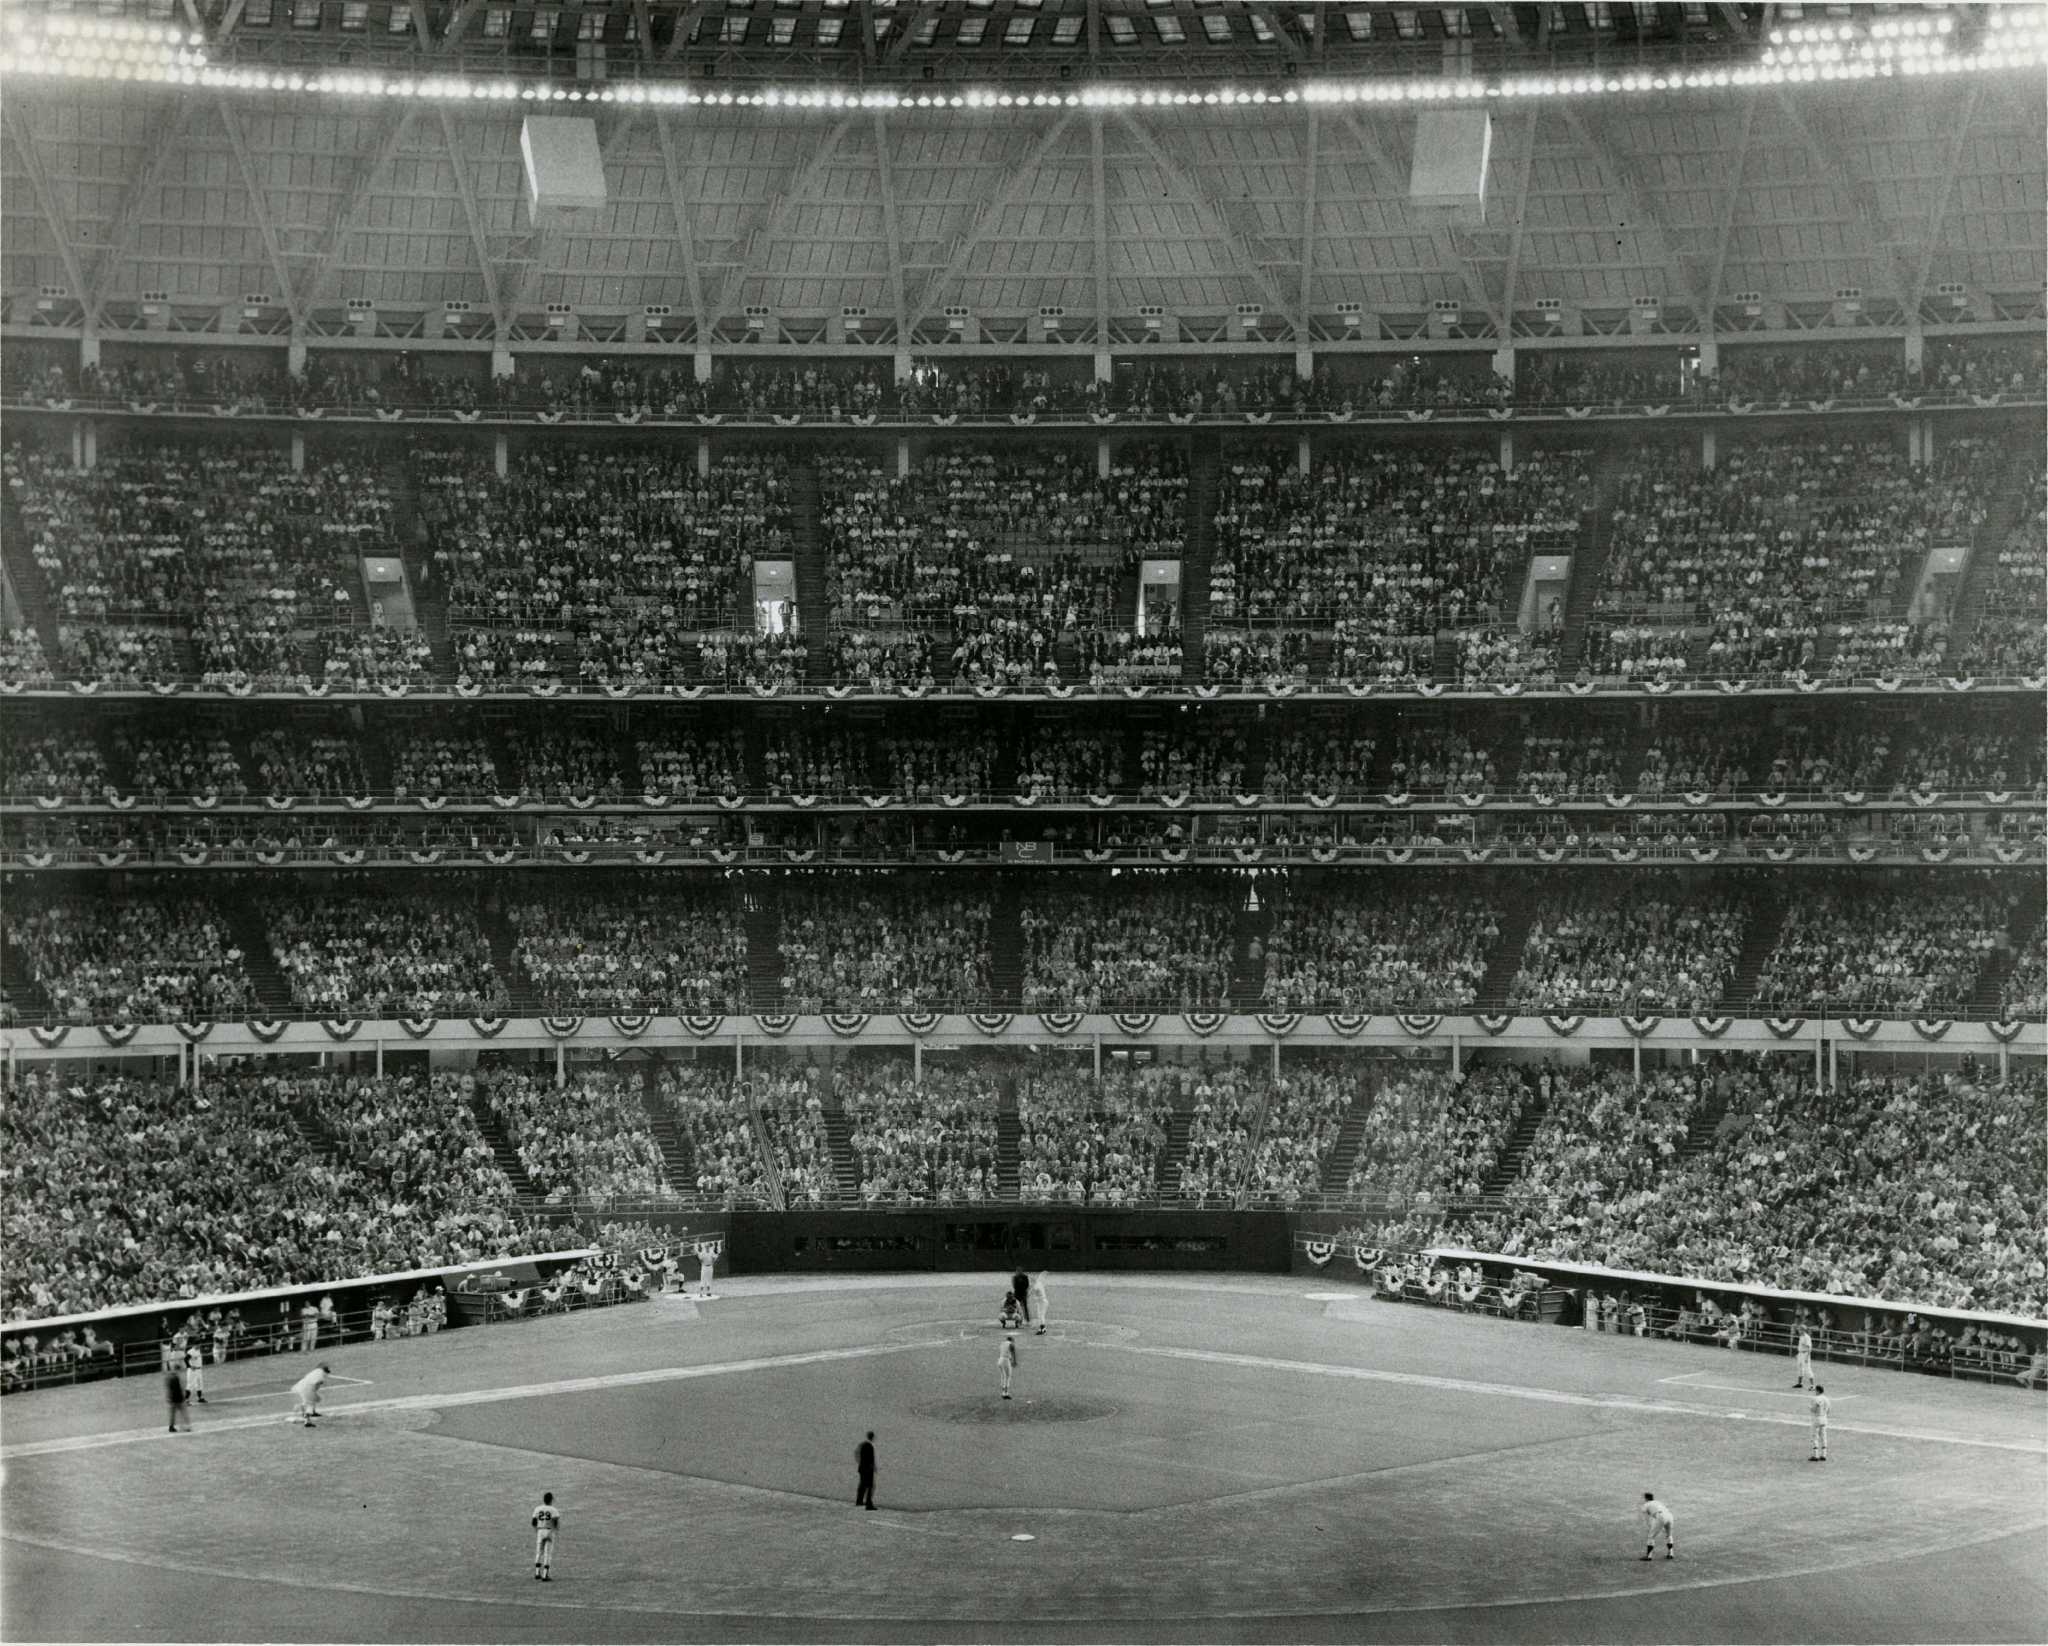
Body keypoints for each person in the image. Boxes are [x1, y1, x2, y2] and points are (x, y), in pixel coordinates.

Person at [531, 1491, 561, 1581]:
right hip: (549, 1530)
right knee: (548, 1553)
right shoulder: (553, 1510)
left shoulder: (537, 1509)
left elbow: (533, 1522)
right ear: (551, 1500)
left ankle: (537, 1573)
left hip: (540, 1530)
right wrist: (555, 1530)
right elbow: (555, 1521)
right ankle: (545, 1575)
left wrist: (536, 1529)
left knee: (539, 1551)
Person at [292, 1362, 333, 1428]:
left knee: (316, 1399)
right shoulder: (320, 1375)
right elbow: (316, 1382)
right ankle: (307, 1422)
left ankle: (310, 1411)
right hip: (306, 1389)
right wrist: (319, 1382)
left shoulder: (316, 1372)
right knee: (310, 1405)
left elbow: (312, 1382)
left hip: (302, 1387)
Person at [1640, 1491, 1675, 1560]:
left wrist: (1650, 1526)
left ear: (1646, 1498)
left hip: (1660, 1517)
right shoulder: (1658, 1502)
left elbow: (1645, 1516)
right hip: (1670, 1516)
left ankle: (1649, 1556)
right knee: (1669, 1535)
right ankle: (1670, 1553)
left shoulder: (1646, 1504)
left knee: (1651, 1536)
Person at [164, 1362, 191, 1433]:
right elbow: (180, 1388)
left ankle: (171, 1427)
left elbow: (168, 1388)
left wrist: (168, 1397)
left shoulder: (168, 1377)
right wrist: (184, 1397)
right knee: (184, 1412)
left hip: (172, 1398)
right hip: (179, 1398)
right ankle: (186, 1426)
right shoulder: (176, 1377)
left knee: (173, 1414)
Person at [855, 1431, 877, 1510]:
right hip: (867, 1469)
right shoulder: (869, 1446)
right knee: (870, 1486)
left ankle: (859, 1500)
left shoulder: (862, 1444)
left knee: (862, 1485)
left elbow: (857, 1454)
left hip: (862, 1468)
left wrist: (860, 1463)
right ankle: (868, 1503)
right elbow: (870, 1459)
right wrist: (872, 1467)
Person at [1808, 1385, 1830, 1462]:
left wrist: (1810, 1408)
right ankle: (1824, 1454)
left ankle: (1815, 1455)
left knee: (1815, 1437)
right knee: (1824, 1436)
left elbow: (1814, 1409)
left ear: (1818, 1390)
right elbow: (1829, 1410)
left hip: (1816, 1418)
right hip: (1824, 1418)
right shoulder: (1827, 1399)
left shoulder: (1815, 1398)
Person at [1793, 1327, 1815, 1391]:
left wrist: (1807, 1357)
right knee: (1800, 1368)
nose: (1798, 1331)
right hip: (1800, 1354)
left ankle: (1812, 1385)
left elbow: (1809, 1348)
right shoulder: (1801, 1337)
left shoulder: (1807, 1337)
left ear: (1803, 1330)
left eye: (1800, 1330)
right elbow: (1801, 1346)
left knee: (1807, 1369)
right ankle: (1800, 1383)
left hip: (1805, 1354)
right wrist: (1798, 1354)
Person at [1028, 1271, 1049, 1337]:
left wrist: (1026, 1295)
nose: (1030, 1280)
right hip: (1042, 1302)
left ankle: (1042, 1329)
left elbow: (1030, 1293)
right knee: (1040, 1315)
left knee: (1041, 1316)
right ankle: (1043, 1328)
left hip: (1042, 1302)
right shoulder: (1039, 1282)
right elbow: (1038, 1279)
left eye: (1031, 1279)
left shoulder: (1035, 1286)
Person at [998, 1332, 1017, 1401]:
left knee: (1003, 1376)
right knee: (1008, 1376)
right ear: (1011, 1340)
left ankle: (1003, 1392)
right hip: (1006, 1361)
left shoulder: (1002, 1344)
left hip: (1000, 1360)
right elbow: (1013, 1353)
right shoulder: (1011, 1344)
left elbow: (1004, 1352)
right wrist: (1014, 1361)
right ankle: (1006, 1393)